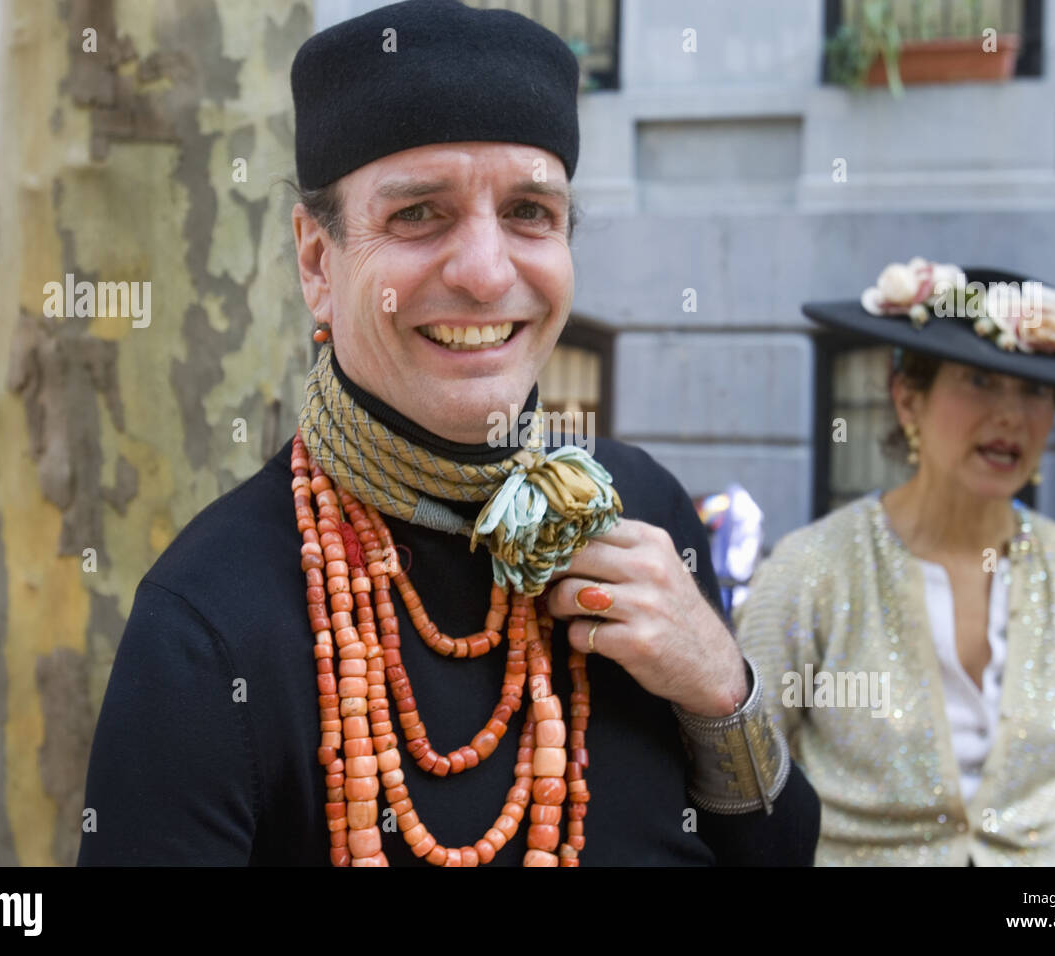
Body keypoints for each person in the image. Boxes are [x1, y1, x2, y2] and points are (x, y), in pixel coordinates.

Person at [77, 0, 818, 866]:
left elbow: (777, 857)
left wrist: (719, 690)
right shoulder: (207, 623)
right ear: (318, 263)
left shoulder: (644, 516)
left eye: (530, 212)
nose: (484, 272)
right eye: (420, 213)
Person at [736, 259, 1055, 866]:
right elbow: (746, 776)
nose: (1011, 415)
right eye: (979, 380)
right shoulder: (814, 565)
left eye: (1035, 389)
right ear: (908, 400)